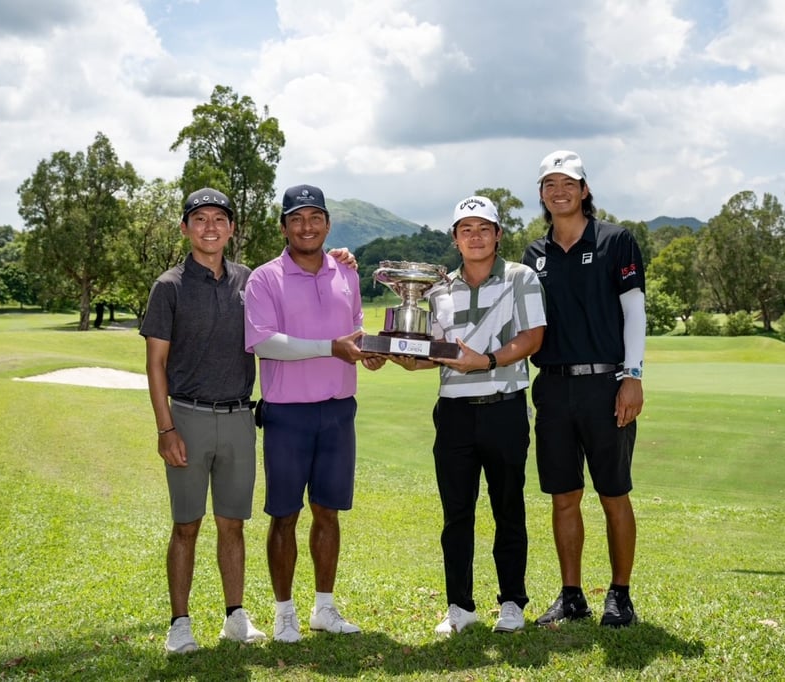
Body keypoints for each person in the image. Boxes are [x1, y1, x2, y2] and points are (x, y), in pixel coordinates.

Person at [391, 195, 546, 635]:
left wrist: (488, 361)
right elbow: (440, 353)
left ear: (498, 235)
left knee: (508, 508)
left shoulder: (520, 277)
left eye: (483, 229)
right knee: (456, 513)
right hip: (454, 413)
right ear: (455, 239)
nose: (475, 237)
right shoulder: (439, 289)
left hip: (504, 407)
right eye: (466, 230)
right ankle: (459, 606)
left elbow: (533, 336)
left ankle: (512, 602)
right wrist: (410, 360)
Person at [243, 183, 386, 643]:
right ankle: (284, 613)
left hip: (339, 411)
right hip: (287, 415)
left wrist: (369, 352)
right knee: (284, 515)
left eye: (315, 218)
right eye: (297, 219)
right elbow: (263, 342)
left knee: (328, 512)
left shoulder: (346, 273)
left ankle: (324, 608)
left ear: (327, 223)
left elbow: (355, 330)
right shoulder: (264, 278)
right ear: (284, 227)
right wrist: (331, 347)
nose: (307, 227)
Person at [522, 150, 646, 628]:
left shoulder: (616, 240)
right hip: (553, 388)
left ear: (584, 189)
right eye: (550, 184)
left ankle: (620, 594)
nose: (559, 192)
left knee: (613, 493)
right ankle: (571, 595)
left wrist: (632, 376)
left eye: (568, 183)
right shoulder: (534, 255)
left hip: (606, 384)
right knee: (563, 495)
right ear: (541, 193)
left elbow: (634, 311)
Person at [140, 187, 266, 652]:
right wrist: (165, 428)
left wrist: (339, 260)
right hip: (188, 418)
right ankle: (180, 624)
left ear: (231, 229)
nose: (210, 227)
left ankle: (235, 617)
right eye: (200, 219)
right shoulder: (168, 286)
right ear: (185, 228)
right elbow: (155, 364)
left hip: (239, 417)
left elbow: (291, 284)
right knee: (186, 525)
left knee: (233, 524)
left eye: (219, 219)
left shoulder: (249, 280)